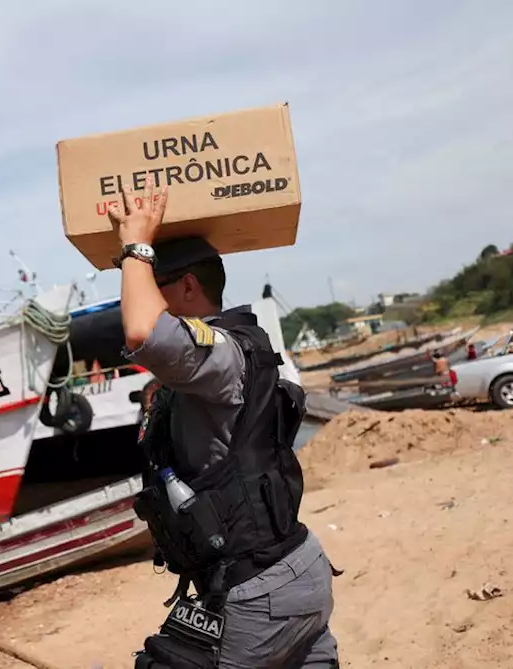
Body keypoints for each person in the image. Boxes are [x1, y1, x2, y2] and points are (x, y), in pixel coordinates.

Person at [109, 183, 339, 668]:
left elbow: (142, 332)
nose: (144, 291)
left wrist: (136, 248)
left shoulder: (219, 353)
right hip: (293, 573)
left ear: (189, 286)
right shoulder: (223, 356)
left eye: (157, 282)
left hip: (257, 593)